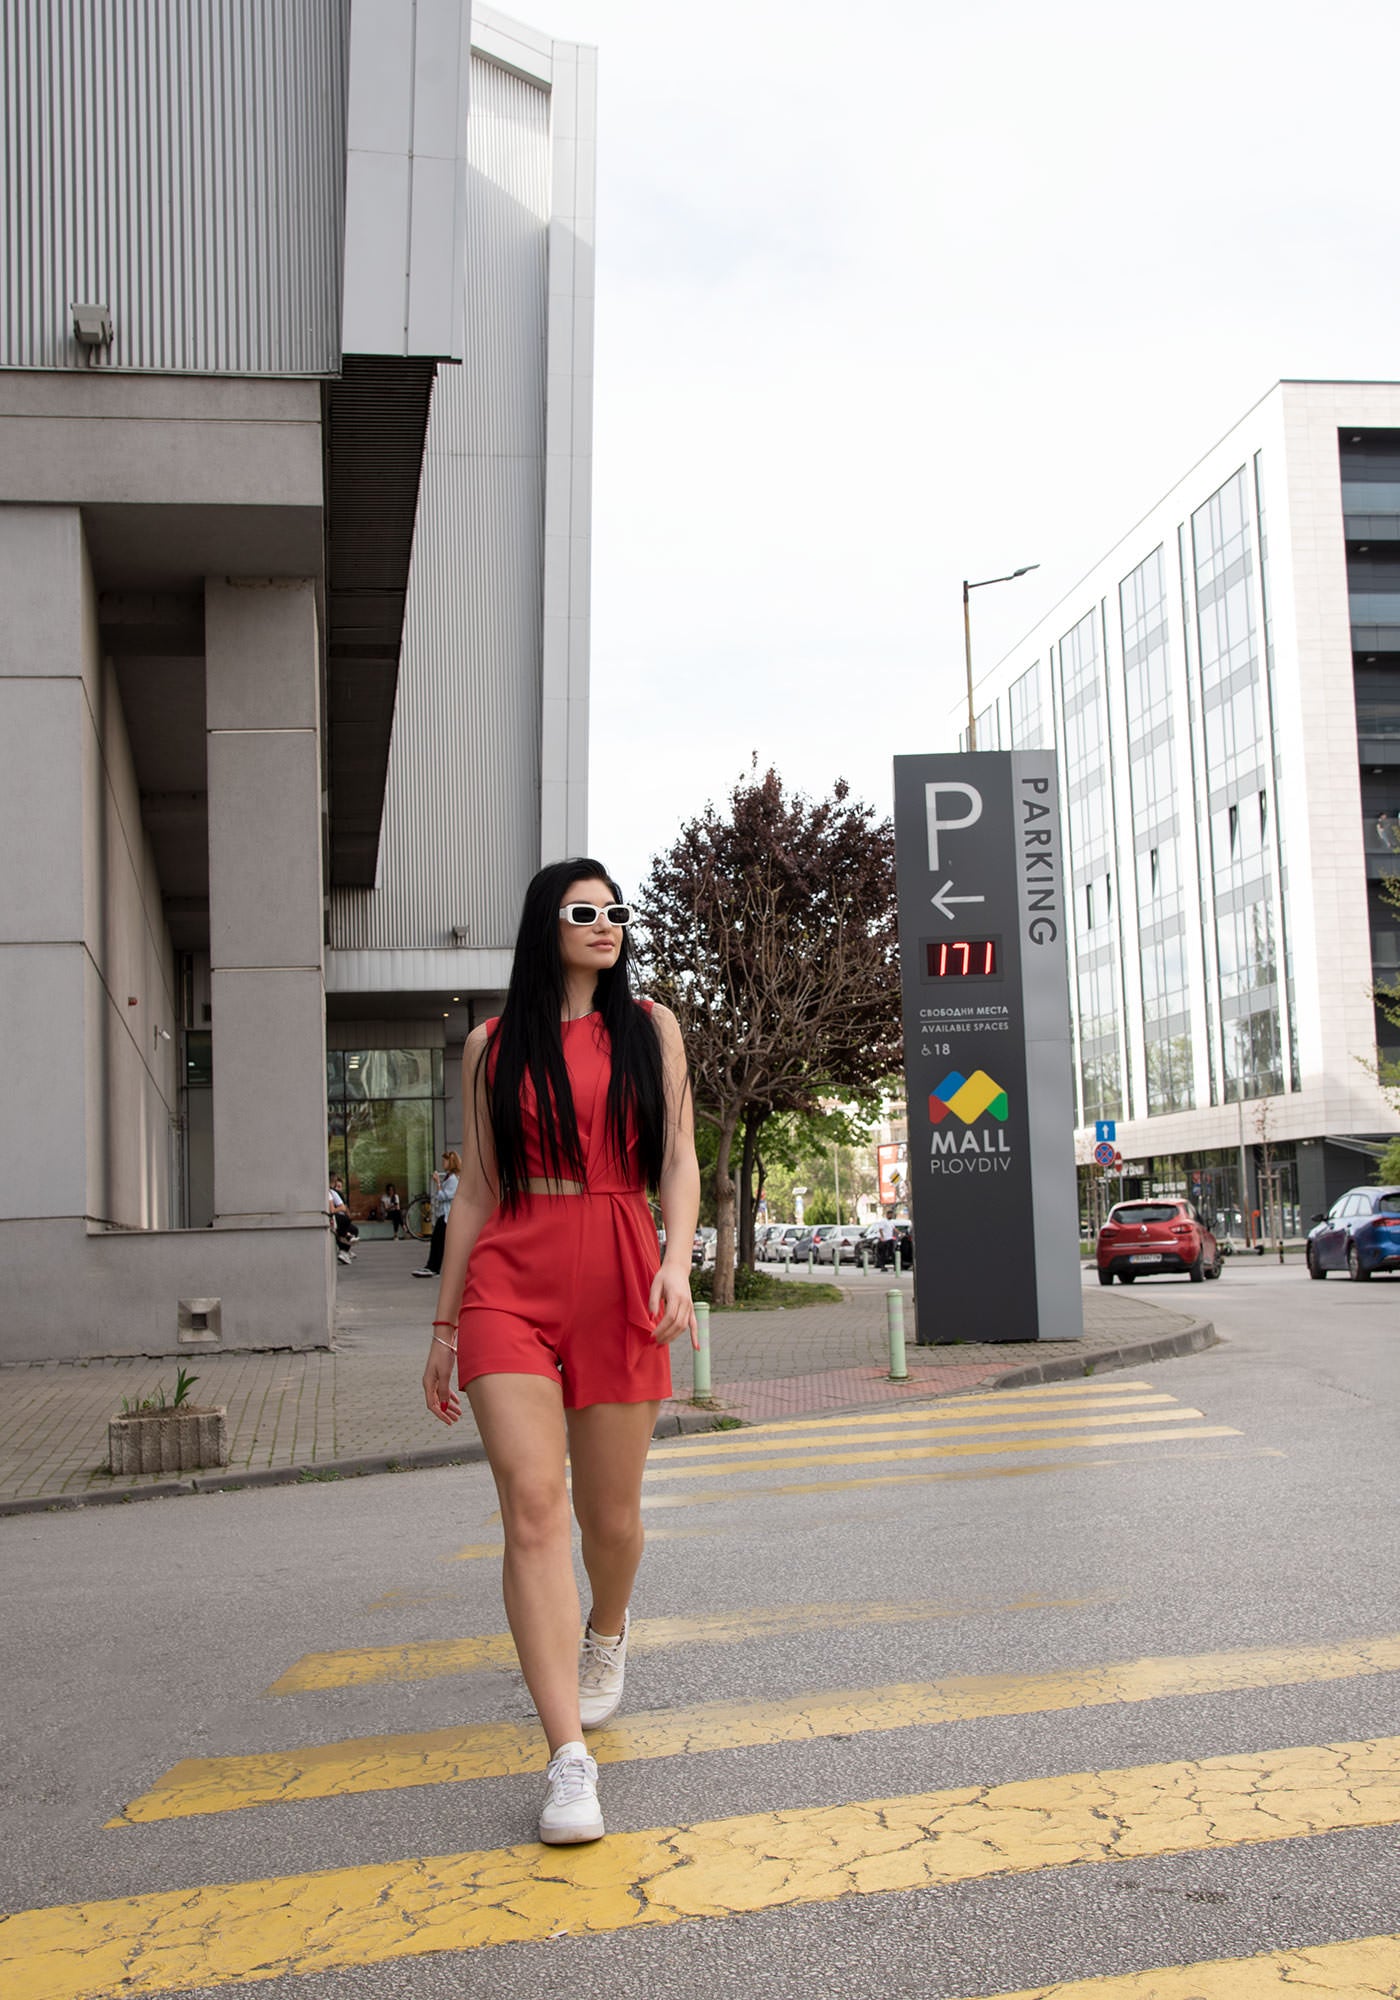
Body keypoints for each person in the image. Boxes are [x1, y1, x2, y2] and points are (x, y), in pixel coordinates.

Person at [421, 859, 699, 1845]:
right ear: (546, 922)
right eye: (585, 910)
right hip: (512, 1283)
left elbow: (675, 1159)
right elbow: (479, 1195)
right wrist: (446, 1324)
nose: (606, 923)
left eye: (616, 910)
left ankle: (607, 1626)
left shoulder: (649, 1027)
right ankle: (565, 1759)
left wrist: (678, 1263)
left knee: (608, 1519)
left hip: (623, 1272)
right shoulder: (490, 1045)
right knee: (532, 1508)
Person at [413, 1152, 461, 1278]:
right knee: (437, 1242)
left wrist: (438, 1183)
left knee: (438, 1242)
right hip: (444, 1215)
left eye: (445, 1161)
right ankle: (432, 1267)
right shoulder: (449, 1178)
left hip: (446, 1216)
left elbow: (442, 1196)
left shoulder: (453, 1180)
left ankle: (433, 1267)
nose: (443, 1164)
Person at [327, 1176, 358, 1265]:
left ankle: (345, 1249)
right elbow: (333, 1210)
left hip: (339, 1218)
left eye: (340, 1187)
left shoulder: (334, 1193)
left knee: (354, 1229)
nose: (337, 1189)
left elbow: (344, 1208)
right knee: (344, 1223)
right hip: (335, 1219)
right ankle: (345, 1241)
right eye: (336, 1186)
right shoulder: (330, 1193)